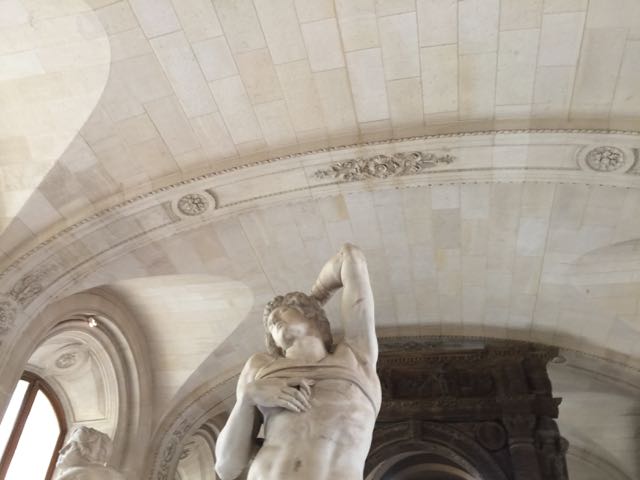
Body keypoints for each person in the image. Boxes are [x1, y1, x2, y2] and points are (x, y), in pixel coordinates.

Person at [215, 244, 381, 480]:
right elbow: (226, 467)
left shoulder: (355, 356)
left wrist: (313, 299)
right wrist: (247, 399)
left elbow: (351, 257)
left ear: (310, 314)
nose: (273, 321)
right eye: (270, 323)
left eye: (282, 312)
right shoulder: (261, 367)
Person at [54, 426, 125, 480]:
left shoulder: (76, 474)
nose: (61, 451)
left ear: (87, 452)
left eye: (69, 446)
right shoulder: (114, 476)